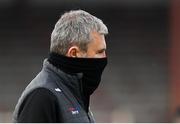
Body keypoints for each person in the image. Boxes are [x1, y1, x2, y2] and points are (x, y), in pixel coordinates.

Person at [13, 10, 108, 123]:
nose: (104, 57)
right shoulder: (42, 96)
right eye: (100, 51)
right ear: (74, 53)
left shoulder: (73, 93)